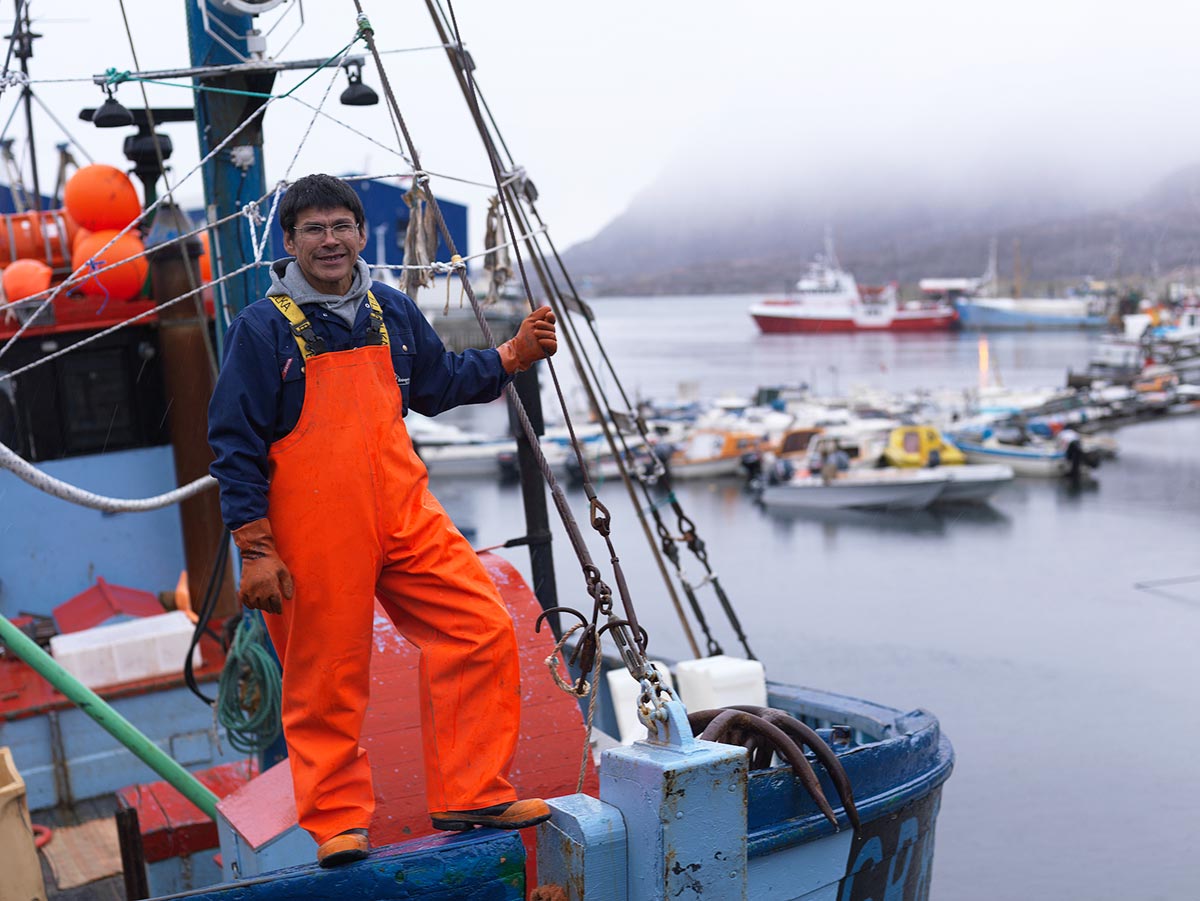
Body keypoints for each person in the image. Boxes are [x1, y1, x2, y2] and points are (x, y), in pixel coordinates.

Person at [207, 174, 558, 868]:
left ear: (364, 235)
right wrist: (256, 547)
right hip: (313, 528)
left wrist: (512, 355)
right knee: (326, 677)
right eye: (313, 229)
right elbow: (233, 443)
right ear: (289, 242)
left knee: (478, 623)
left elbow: (439, 382)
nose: (330, 240)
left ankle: (471, 788)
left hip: (403, 508)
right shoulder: (262, 327)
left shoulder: (388, 308)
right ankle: (337, 821)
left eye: (342, 226)